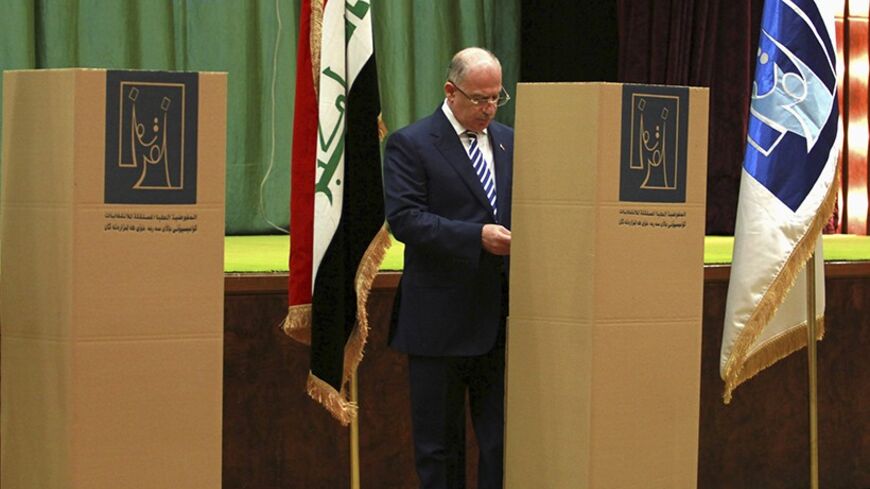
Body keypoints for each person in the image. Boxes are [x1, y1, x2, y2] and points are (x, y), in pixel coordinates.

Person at [382, 47, 513, 489]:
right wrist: (476, 237)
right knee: (440, 447)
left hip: (501, 320)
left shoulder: (511, 141)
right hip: (439, 321)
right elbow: (407, 220)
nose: (489, 108)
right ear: (450, 91)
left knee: (502, 443)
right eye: (479, 99)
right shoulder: (411, 143)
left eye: (497, 98)